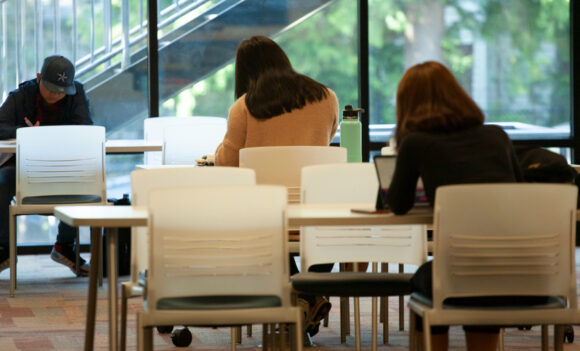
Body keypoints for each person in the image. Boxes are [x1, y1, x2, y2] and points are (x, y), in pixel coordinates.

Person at [384, 61, 527, 351]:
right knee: (479, 275)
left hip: (460, 276)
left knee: (434, 276)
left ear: (407, 104)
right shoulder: (497, 136)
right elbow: (523, 197)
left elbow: (398, 204)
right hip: (522, 276)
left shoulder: (416, 143)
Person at [214, 35, 338, 339]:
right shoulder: (328, 97)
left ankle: (298, 300)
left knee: (269, 226)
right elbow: (326, 142)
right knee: (326, 228)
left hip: (265, 220)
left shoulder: (243, 107)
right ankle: (307, 297)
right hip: (317, 216)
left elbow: (227, 165)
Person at [0, 55, 93, 276]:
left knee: (87, 178)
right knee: (1, 181)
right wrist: (24, 133)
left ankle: (64, 247)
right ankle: (3, 248)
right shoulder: (20, 96)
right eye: (51, 88)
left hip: (65, 166)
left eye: (62, 90)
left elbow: (86, 127)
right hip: (24, 168)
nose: (56, 94)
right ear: (39, 77)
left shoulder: (77, 94)